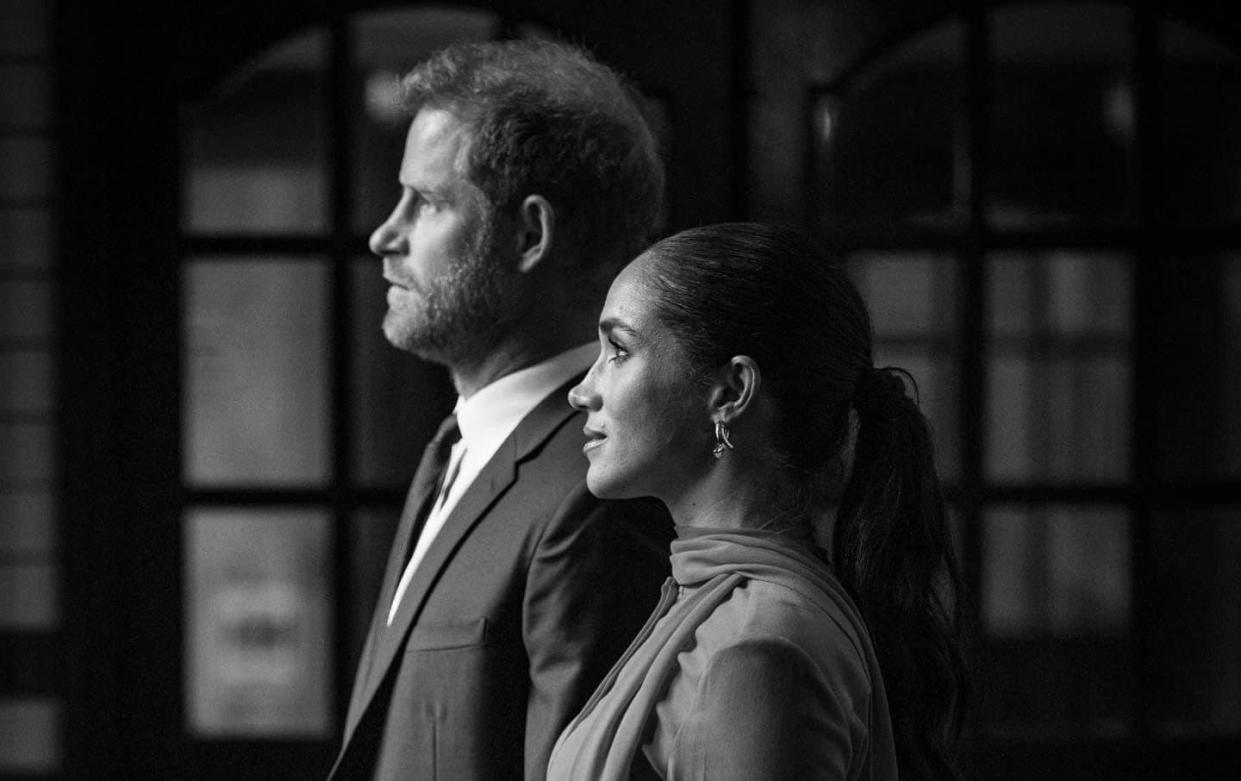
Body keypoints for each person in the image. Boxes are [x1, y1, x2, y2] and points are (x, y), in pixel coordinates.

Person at [330, 41, 672, 780]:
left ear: (529, 234)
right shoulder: (454, 446)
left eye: (425, 202)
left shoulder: (600, 492)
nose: (384, 234)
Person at [550, 222, 969, 780]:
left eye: (618, 351)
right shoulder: (708, 607)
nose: (583, 391)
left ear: (730, 392)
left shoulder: (762, 652)